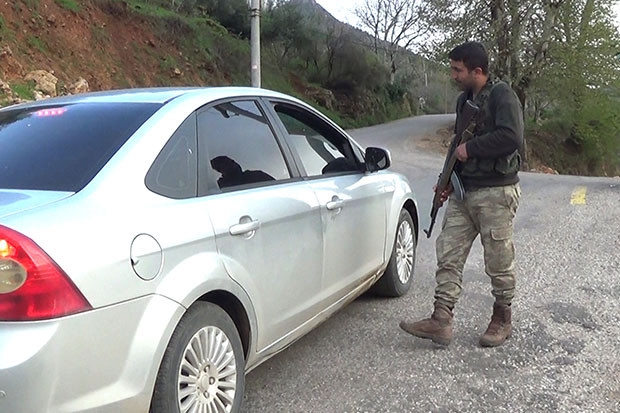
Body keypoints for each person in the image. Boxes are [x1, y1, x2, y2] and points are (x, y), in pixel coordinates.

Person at [399, 41, 524, 347]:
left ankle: (502, 318)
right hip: (463, 191)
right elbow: (457, 143)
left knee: (498, 259)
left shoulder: (502, 95)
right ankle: (441, 319)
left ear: (477, 71)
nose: (453, 75)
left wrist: (472, 148)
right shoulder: (464, 100)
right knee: (448, 254)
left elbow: (511, 138)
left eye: (458, 70)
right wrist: (445, 181)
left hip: (496, 191)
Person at [210, 156, 274, 188]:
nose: (229, 166)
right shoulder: (217, 187)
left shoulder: (257, 176)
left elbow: (275, 189)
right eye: (220, 168)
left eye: (231, 162)